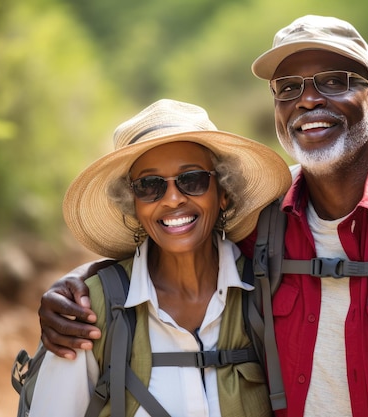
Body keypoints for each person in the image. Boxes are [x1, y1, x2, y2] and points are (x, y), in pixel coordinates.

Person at [37, 15, 368, 417]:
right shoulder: (264, 221)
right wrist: (77, 286)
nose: (308, 100)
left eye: (333, 81)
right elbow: (178, 241)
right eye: (289, 88)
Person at [27, 98, 292, 417]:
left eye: (192, 179)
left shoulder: (266, 294)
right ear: (134, 206)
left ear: (223, 193)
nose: (173, 199)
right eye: (150, 186)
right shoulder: (88, 314)